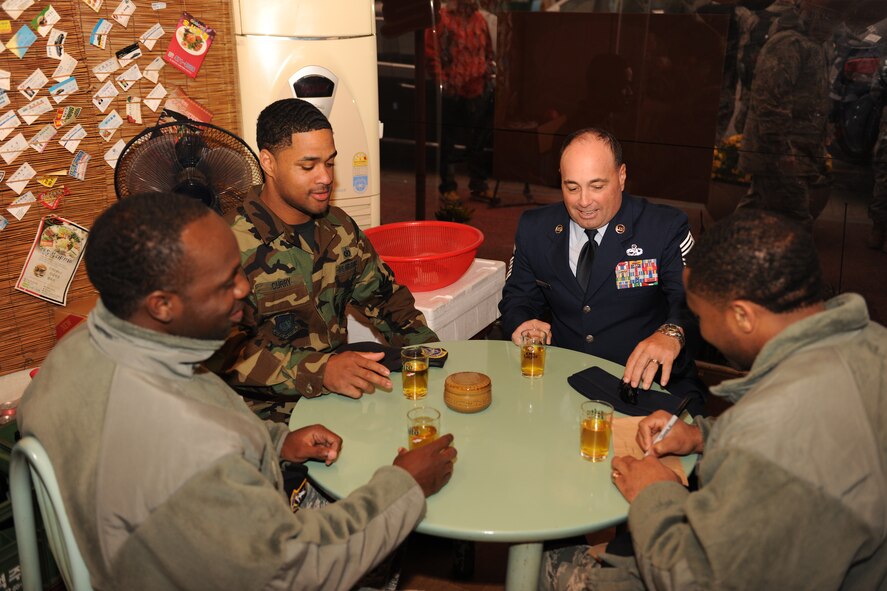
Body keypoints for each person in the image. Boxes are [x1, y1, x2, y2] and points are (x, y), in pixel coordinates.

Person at [18, 193, 457, 590]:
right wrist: (405, 485)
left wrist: (278, 442)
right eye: (227, 281)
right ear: (162, 305)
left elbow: (205, 422)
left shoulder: (73, 352)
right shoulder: (188, 451)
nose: (245, 289)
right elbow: (298, 569)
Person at [540, 209, 887, 590]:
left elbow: (697, 580)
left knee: (547, 562)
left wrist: (655, 494)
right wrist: (703, 436)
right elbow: (817, 440)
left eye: (702, 314)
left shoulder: (770, 428)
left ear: (741, 316)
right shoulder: (873, 344)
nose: (701, 327)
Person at [214, 99, 438, 401]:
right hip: (267, 417)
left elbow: (386, 300)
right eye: (308, 166)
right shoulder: (226, 245)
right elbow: (223, 354)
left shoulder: (339, 227)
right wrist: (320, 371)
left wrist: (429, 356)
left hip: (338, 396)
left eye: (330, 162)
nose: (326, 178)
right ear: (268, 163)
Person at [498, 128, 706, 415]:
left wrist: (672, 333)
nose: (584, 201)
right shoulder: (535, 229)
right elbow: (516, 298)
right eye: (572, 187)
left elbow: (695, 303)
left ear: (621, 176)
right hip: (564, 383)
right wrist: (521, 322)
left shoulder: (663, 228)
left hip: (650, 385)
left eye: (597, 186)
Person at [738, 0, 850, 223]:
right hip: (782, 154)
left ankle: (723, 250)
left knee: (756, 213)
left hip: (793, 153)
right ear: (809, 13)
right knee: (795, 222)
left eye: (834, 19)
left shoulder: (813, 44)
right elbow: (769, 102)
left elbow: (813, 96)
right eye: (826, 17)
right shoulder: (789, 43)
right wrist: (781, 151)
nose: (831, 24)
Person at [425, 0, 496, 220]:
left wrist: (488, 78)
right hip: (452, 91)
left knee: (479, 140)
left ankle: (478, 182)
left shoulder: (480, 20)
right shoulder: (442, 20)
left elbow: (488, 52)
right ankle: (447, 187)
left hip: (478, 90)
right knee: (448, 141)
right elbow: (431, 52)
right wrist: (442, 82)